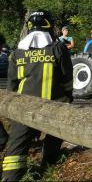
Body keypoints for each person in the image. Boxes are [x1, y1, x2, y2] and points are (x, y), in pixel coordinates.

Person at [1, 10, 73, 182]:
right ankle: (46, 169)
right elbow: (67, 79)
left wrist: (12, 111)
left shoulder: (17, 54)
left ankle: (10, 178)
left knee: (15, 151)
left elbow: (11, 85)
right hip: (54, 108)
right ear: (49, 26)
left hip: (21, 109)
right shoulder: (58, 48)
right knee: (55, 138)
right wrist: (67, 101)